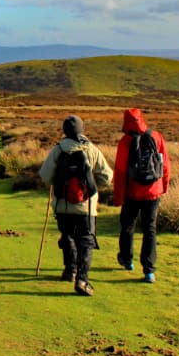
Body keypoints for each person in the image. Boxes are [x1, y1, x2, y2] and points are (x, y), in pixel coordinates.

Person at [39, 115, 113, 296]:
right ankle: (82, 279)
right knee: (86, 241)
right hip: (86, 207)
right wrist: (94, 187)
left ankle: (69, 271)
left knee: (67, 236)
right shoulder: (92, 150)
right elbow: (107, 177)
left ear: (65, 130)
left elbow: (46, 176)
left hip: (62, 206)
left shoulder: (58, 150)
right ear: (82, 129)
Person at [113, 108, 171, 284]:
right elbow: (165, 165)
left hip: (132, 193)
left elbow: (121, 172)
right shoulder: (157, 137)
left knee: (127, 225)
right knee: (150, 229)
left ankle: (127, 259)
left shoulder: (125, 142)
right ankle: (149, 270)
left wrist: (118, 197)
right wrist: (164, 187)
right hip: (153, 192)